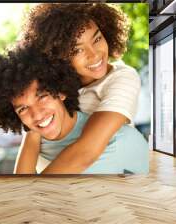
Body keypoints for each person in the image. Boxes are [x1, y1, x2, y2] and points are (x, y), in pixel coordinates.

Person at [0, 47, 149, 174]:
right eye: (23, 108)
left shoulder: (118, 140)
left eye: (42, 96)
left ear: (61, 91)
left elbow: (26, 196)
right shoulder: (34, 144)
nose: (36, 114)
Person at [15, 3, 144, 174]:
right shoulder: (51, 88)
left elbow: (86, 152)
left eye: (97, 39)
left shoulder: (122, 78)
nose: (94, 54)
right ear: (57, 56)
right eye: (77, 50)